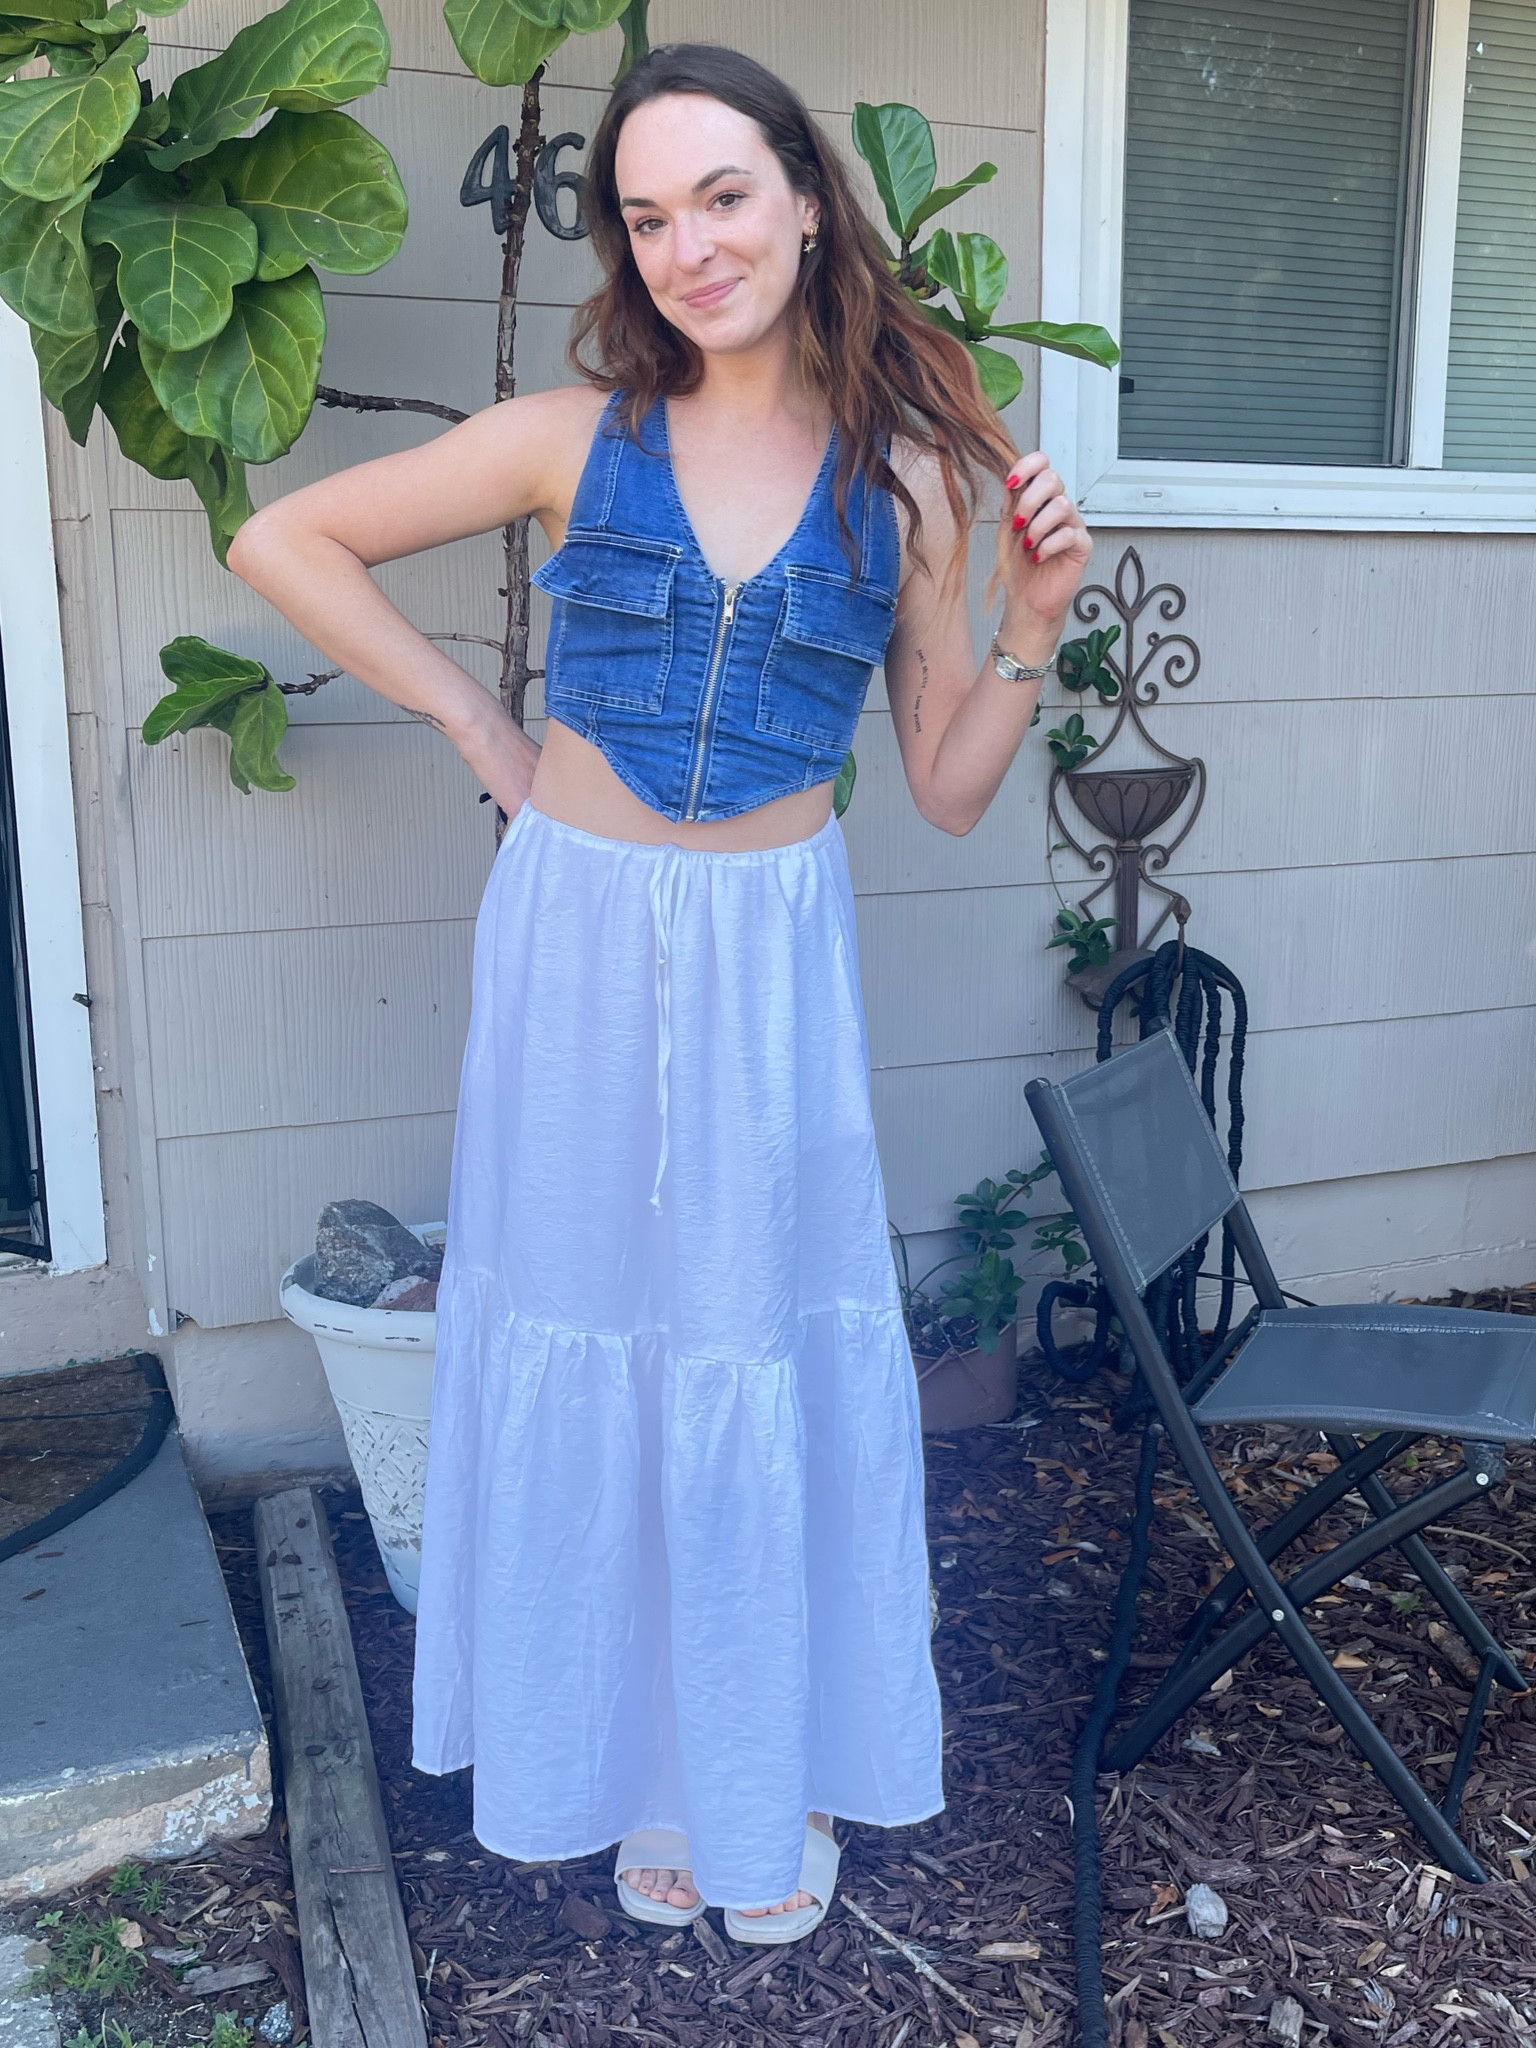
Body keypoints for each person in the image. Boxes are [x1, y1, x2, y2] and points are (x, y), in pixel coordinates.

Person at [228, 41, 1092, 1945]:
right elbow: (282, 536)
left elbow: (944, 794)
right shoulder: (571, 437)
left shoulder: (914, 474)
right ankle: (619, 1771)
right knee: (593, 1322)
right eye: (645, 213)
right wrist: (478, 718)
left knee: (743, 1346)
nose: (688, 243)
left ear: (802, 196)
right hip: (579, 941)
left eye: (720, 196)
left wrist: (1030, 630)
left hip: (774, 955)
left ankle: (749, 1771)